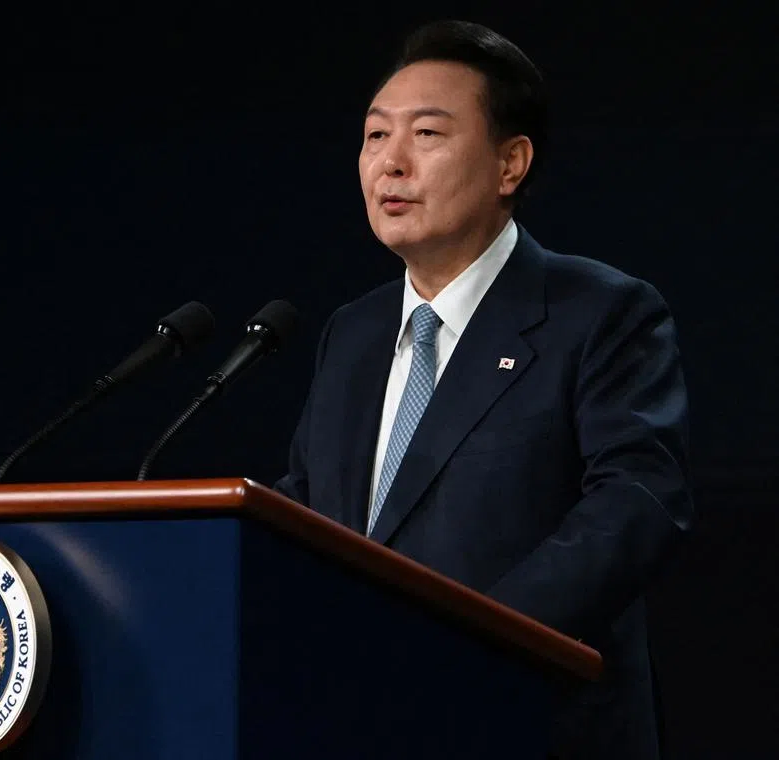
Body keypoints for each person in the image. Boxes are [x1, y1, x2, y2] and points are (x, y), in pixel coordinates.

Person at [273, 19, 692, 760]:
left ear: (510, 164)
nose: (390, 164)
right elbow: (310, 510)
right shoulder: (354, 333)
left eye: (427, 135)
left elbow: (638, 501)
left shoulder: (598, 312)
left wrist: (474, 642)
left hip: (528, 721)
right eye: (375, 137)